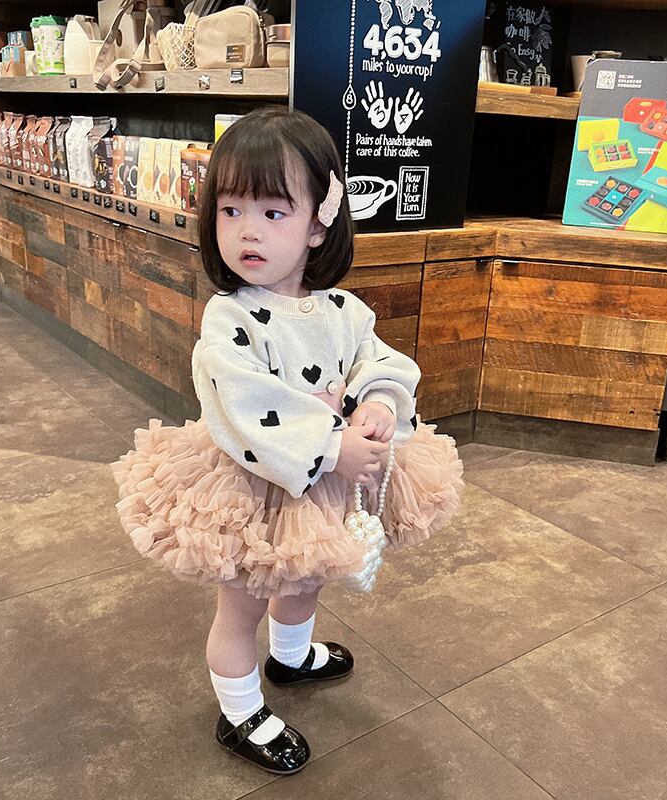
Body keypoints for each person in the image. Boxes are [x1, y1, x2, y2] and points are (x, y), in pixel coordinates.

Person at [111, 106, 463, 775]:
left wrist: (377, 403)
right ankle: (241, 712)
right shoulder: (230, 318)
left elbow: (380, 361)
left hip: (320, 482)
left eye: (273, 212)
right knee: (242, 604)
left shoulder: (343, 309)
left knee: (305, 579)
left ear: (319, 224)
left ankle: (292, 657)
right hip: (253, 486)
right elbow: (245, 401)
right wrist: (332, 445)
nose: (248, 230)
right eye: (231, 210)